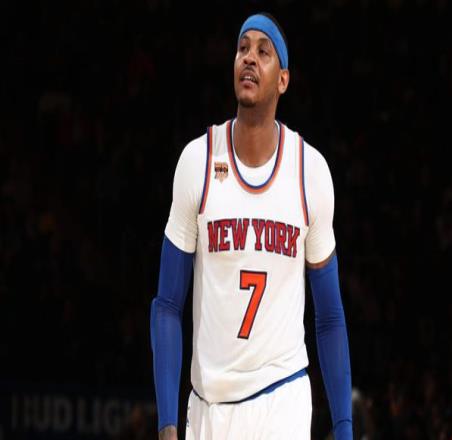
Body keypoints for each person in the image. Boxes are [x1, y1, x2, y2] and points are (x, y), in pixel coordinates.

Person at [150, 12, 353, 440]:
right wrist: (167, 422)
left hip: (282, 399)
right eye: (242, 48)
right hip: (208, 407)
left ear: (283, 79)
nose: (249, 58)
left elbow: (330, 316)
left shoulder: (310, 172)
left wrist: (344, 426)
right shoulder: (197, 162)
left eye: (263, 52)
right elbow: (167, 304)